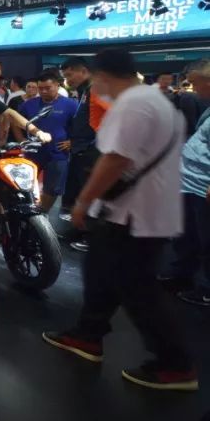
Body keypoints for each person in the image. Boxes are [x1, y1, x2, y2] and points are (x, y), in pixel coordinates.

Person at [43, 49, 195, 391]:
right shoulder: (157, 101)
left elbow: (114, 159)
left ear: (102, 75)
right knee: (101, 272)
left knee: (138, 289)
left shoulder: (131, 105)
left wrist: (84, 201)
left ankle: (175, 364)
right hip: (141, 208)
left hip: (132, 212)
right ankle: (88, 334)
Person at [159, 58, 210, 307]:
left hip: (204, 188)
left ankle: (207, 289)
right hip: (190, 182)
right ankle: (182, 275)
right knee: (186, 234)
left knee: (207, 240)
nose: (192, 89)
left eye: (195, 83)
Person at [17, 69, 79, 214]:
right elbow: (15, 121)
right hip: (33, 152)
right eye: (41, 88)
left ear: (57, 85)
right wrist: (21, 139)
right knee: (24, 185)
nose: (43, 91)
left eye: (47, 88)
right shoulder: (29, 104)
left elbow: (82, 126)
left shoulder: (71, 105)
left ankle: (43, 213)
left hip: (58, 153)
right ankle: (28, 214)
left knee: (52, 188)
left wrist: (72, 141)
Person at [59, 57, 105, 251]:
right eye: (65, 76)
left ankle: (91, 237)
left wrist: (92, 146)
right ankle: (79, 230)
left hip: (91, 149)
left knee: (91, 194)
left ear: (83, 71)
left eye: (70, 75)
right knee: (78, 191)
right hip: (80, 148)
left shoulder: (97, 90)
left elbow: (104, 121)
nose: (68, 80)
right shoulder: (84, 90)